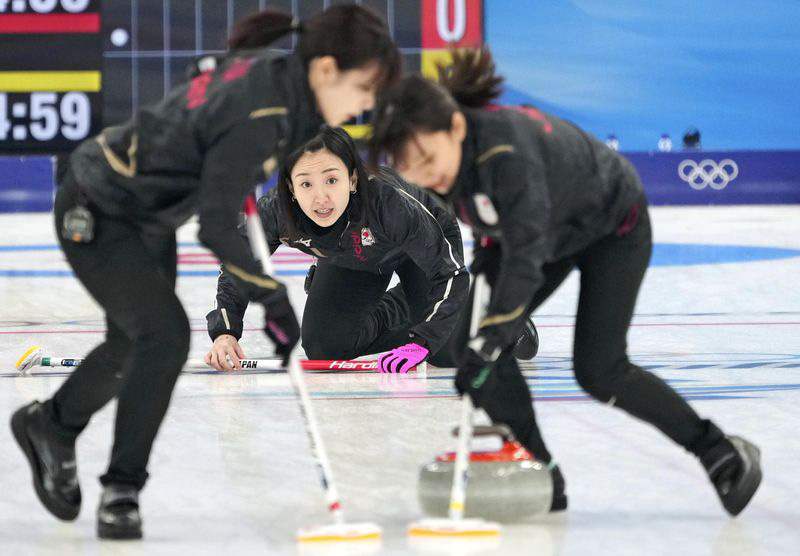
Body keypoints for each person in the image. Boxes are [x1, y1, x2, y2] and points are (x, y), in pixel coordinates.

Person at [10, 6, 401, 540]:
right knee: (165, 336)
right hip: (96, 206)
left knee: (134, 342)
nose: (367, 102)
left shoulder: (282, 90)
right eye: (365, 87)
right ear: (328, 69)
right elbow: (218, 228)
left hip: (147, 214)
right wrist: (273, 301)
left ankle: (51, 426)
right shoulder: (262, 113)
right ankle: (120, 487)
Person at [368, 47, 762, 516]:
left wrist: (495, 333)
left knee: (598, 370)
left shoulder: (506, 152)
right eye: (409, 167)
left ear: (455, 127)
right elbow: (497, 235)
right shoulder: (445, 160)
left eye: (429, 159)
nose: (423, 176)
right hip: (538, 231)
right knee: (470, 354)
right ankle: (544, 474)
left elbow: (526, 252)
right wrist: (481, 344)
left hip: (612, 225)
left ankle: (717, 450)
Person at [206, 125, 472, 373]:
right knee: (326, 347)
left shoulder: (389, 203)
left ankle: (427, 304)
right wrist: (225, 333)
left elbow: (451, 274)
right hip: (354, 256)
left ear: (353, 179)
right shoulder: (277, 210)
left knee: (446, 352)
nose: (321, 198)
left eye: (332, 180)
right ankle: (407, 304)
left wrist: (424, 341)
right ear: (291, 188)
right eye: (306, 184)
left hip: (418, 249)